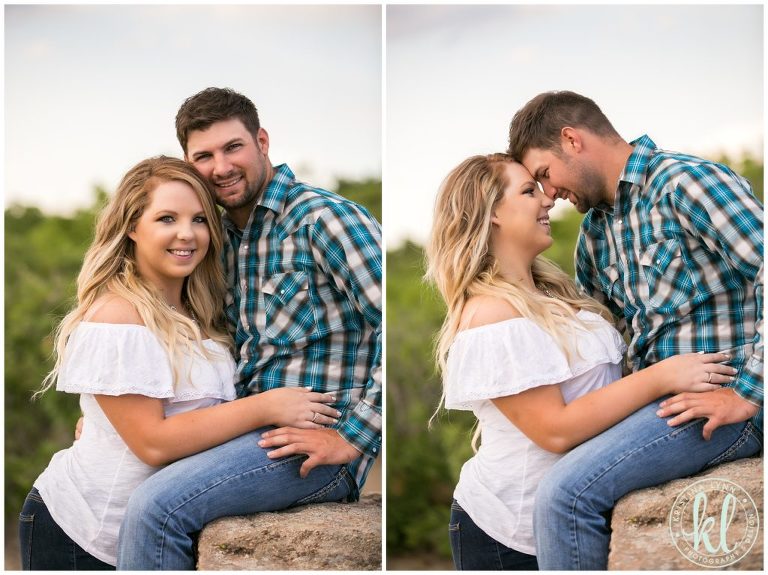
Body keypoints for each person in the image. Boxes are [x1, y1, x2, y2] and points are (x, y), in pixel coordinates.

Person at [19, 156, 339, 569]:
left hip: (158, 534)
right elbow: (152, 443)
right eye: (167, 218)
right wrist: (266, 406)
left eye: (200, 219)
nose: (187, 234)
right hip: (82, 534)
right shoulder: (118, 314)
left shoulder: (199, 312)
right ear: (132, 227)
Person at [426, 153, 735, 570]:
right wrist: (663, 377)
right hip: (510, 536)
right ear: (492, 213)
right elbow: (555, 431)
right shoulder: (490, 313)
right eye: (528, 190)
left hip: (576, 513)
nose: (548, 200)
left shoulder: (552, 292)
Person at [115, 88, 382, 570]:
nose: (221, 167)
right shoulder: (211, 238)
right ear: (188, 162)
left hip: (309, 445)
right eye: (204, 156)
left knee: (156, 510)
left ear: (261, 141)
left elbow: (395, 324)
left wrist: (353, 438)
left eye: (232, 147)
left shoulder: (324, 219)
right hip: (244, 432)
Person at [507, 90, 763, 570]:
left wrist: (749, 392)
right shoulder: (595, 236)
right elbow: (609, 341)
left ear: (572, 139)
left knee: (565, 496)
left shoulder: (685, 183)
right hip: (655, 406)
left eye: (544, 174)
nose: (550, 195)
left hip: (717, 402)